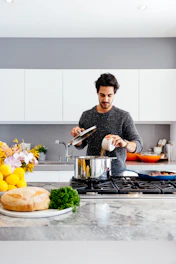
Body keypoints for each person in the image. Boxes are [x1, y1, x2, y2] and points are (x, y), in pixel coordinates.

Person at [70, 73, 143, 175]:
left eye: (109, 95)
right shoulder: (86, 115)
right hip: (92, 173)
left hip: (117, 175)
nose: (105, 99)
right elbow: (81, 145)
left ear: (114, 94)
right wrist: (77, 137)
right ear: (97, 92)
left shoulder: (123, 116)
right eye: (102, 95)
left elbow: (138, 145)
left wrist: (124, 143)